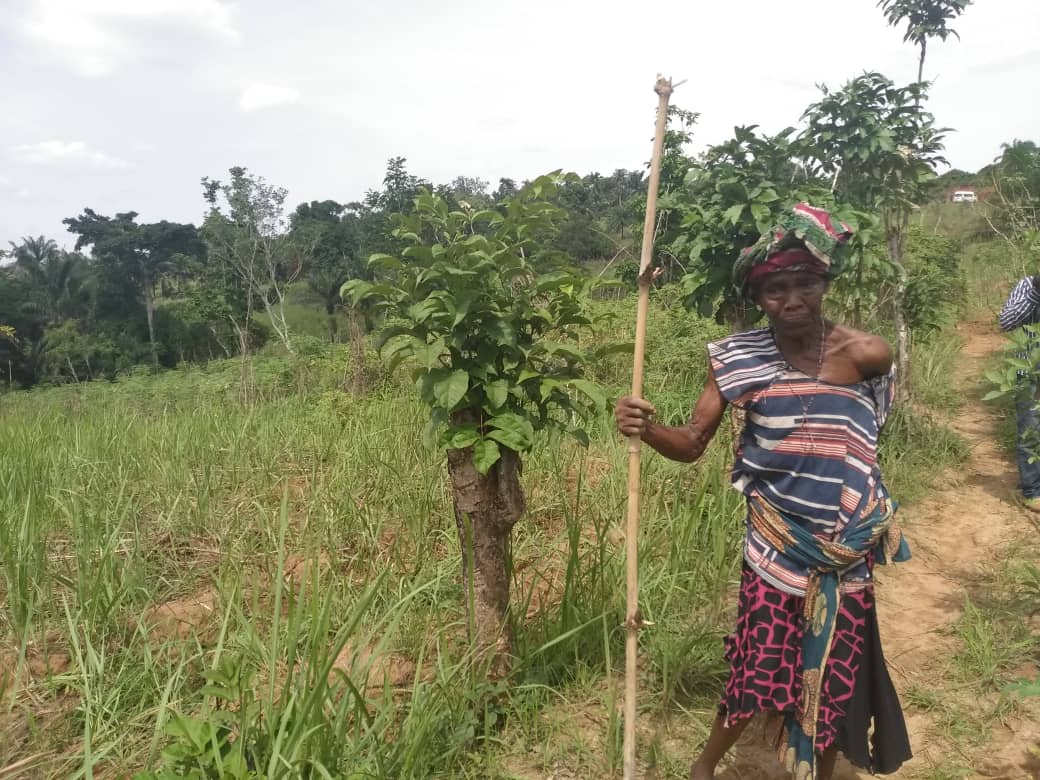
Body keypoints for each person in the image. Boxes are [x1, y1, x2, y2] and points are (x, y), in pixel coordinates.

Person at [615, 204, 912, 780]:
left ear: (825, 284)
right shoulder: (734, 358)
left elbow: (866, 439)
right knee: (759, 663)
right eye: (776, 289)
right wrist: (645, 427)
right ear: (759, 299)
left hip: (845, 550)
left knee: (831, 673)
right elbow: (693, 441)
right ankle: (706, 766)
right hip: (777, 545)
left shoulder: (867, 352)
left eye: (805, 283)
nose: (793, 299)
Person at [998, 273, 1040, 512]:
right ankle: (1032, 489)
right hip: (1029, 370)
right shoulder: (1027, 285)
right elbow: (1006, 321)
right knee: (1031, 429)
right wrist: (1037, 291)